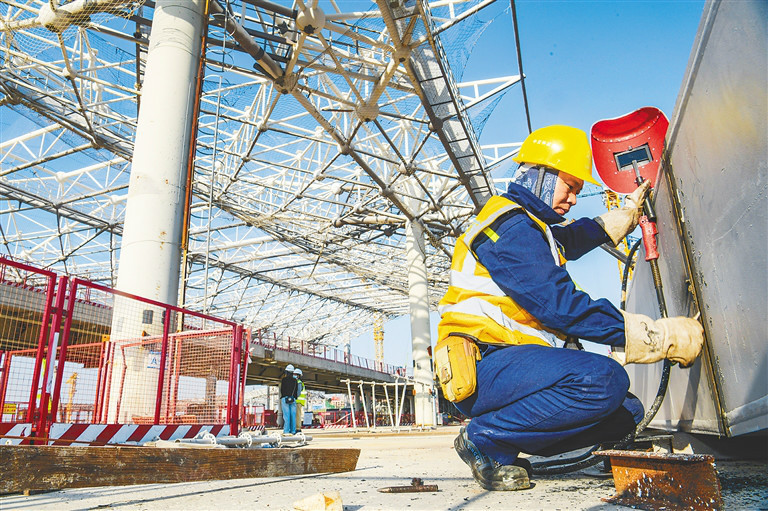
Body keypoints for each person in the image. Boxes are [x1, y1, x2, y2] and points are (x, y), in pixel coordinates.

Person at [437, 125, 705, 491]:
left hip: (512, 369)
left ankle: (508, 438)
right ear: (541, 176)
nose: (575, 199)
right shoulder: (506, 225)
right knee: (603, 379)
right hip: (485, 366)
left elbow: (568, 239)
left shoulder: (529, 228)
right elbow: (559, 306)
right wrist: (657, 337)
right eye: (571, 186)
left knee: (627, 413)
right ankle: (486, 439)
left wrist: (620, 219)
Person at [280, 364, 299, 435]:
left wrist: (285, 396)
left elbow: (282, 390)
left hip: (285, 399)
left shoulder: (284, 380)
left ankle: (286, 431)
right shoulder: (295, 381)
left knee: (286, 416)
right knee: (293, 416)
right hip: (293, 399)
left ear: (287, 372)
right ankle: (293, 431)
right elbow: (296, 390)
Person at [294, 368, 307, 432]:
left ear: (299, 376)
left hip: (298, 401)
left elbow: (298, 393)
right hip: (297, 401)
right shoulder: (297, 382)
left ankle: (298, 428)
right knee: (295, 415)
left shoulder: (299, 383)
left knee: (297, 415)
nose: (294, 375)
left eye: (295, 374)